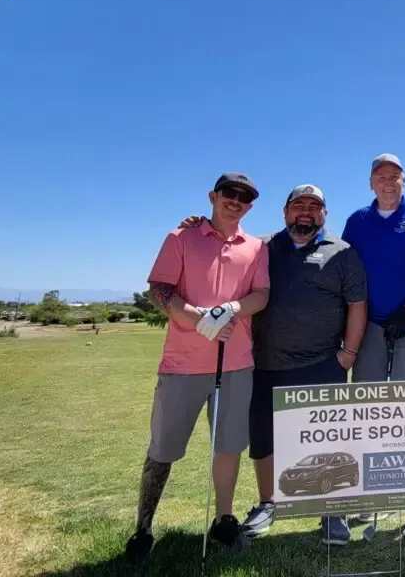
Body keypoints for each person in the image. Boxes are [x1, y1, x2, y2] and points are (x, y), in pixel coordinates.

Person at [175, 184, 368, 546]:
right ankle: (269, 502)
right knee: (263, 440)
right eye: (298, 205)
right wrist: (198, 223)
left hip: (322, 362)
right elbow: (225, 244)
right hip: (263, 363)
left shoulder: (342, 253)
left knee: (328, 440)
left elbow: (357, 303)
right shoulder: (260, 247)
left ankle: (332, 510)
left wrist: (350, 353)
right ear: (285, 212)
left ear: (324, 214)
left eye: (314, 206)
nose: (306, 212)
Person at [125, 173, 271, 565]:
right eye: (229, 193)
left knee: (228, 447)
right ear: (213, 196)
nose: (236, 201)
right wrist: (194, 316)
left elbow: (261, 295)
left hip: (237, 363)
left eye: (244, 197)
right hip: (182, 364)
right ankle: (144, 527)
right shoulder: (181, 238)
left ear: (250, 205)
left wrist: (232, 309)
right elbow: (159, 288)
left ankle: (224, 519)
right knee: (163, 448)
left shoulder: (257, 247)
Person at [341, 153, 405, 540]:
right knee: (368, 411)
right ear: (371, 182)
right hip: (367, 329)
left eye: (395, 176)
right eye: (380, 176)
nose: (388, 182)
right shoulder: (356, 221)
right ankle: (369, 496)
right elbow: (346, 272)